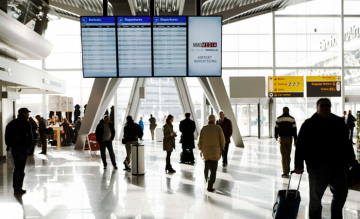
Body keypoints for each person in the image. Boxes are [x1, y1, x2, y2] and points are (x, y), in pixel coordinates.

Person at [294, 98, 358, 218]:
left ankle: (336, 216)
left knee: (342, 193)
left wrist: (352, 160)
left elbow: (346, 143)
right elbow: (300, 145)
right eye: (322, 105)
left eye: (328, 105)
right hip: (316, 167)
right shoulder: (309, 124)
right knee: (316, 199)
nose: (325, 107)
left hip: (337, 166)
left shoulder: (339, 123)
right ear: (317, 108)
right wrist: (298, 165)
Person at [5, 108, 33, 194]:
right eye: (27, 113)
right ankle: (19, 188)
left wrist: (9, 145)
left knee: (16, 167)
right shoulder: (26, 123)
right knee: (21, 168)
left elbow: (6, 135)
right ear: (24, 113)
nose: (28, 114)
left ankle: (15, 187)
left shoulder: (11, 123)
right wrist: (29, 146)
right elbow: (30, 136)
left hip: (14, 148)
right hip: (23, 147)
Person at [198, 115, 225, 192]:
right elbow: (222, 140)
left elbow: (199, 141)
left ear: (207, 120)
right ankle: (210, 185)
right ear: (214, 120)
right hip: (215, 153)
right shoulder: (218, 128)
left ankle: (207, 180)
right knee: (213, 170)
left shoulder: (204, 128)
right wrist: (222, 148)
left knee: (206, 168)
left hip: (206, 152)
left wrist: (201, 148)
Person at [275, 107, 298, 178]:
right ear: (288, 111)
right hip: (289, 139)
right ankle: (287, 171)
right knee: (288, 155)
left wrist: (276, 136)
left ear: (283, 111)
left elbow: (276, 128)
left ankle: (285, 173)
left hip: (282, 139)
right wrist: (295, 140)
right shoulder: (292, 119)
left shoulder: (279, 118)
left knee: (283, 155)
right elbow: (294, 130)